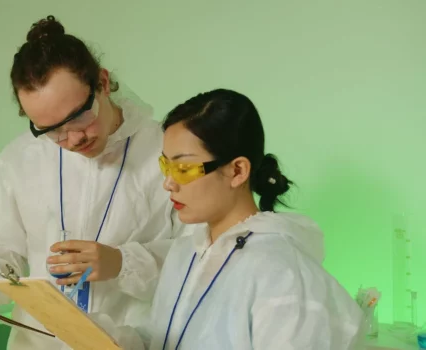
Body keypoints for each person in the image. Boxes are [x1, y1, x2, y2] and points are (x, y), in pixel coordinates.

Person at [0, 15, 193, 349]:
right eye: (51, 130)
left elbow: (199, 256)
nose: (73, 138)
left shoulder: (165, 150)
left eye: (79, 116)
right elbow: (2, 250)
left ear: (103, 83)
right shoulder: (18, 159)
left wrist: (122, 262)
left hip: (130, 342)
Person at [101, 88, 365, 349]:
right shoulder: (186, 252)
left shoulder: (283, 273)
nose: (168, 183)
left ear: (237, 170)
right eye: (166, 166)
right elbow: (163, 338)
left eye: (183, 168)